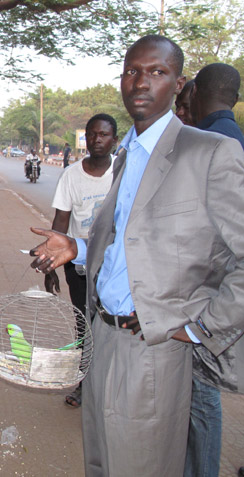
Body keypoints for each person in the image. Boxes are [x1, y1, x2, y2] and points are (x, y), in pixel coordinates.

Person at [28, 35, 244, 476]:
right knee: (100, 462)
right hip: (102, 335)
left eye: (157, 72)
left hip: (154, 348)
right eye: (132, 71)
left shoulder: (210, 153)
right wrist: (78, 247)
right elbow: (130, 243)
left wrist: (200, 327)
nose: (141, 82)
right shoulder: (126, 155)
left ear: (179, 84)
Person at [183, 62, 244, 477]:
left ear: (196, 92)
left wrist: (202, 325)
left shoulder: (212, 144)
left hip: (215, 299)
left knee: (202, 400)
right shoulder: (235, 136)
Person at [44, 113, 118, 409]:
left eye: (104, 135)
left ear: (114, 138)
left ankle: (111, 387)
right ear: (85, 138)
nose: (97, 140)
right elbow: (60, 222)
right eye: (92, 134)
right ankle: (84, 384)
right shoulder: (71, 176)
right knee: (84, 324)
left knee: (113, 326)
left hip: (114, 267)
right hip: (79, 268)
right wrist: (51, 266)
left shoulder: (123, 172)